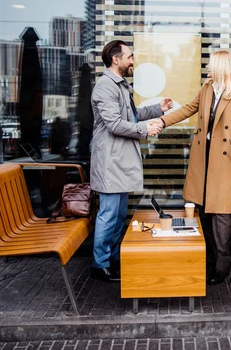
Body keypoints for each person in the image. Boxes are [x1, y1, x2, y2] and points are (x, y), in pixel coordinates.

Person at [157, 50, 231, 285]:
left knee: (221, 211)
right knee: (202, 207)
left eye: (210, 65)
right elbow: (188, 109)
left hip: (223, 157)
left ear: (221, 66)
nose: (207, 68)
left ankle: (222, 264)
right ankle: (208, 257)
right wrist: (162, 121)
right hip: (203, 155)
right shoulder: (207, 87)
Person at [90, 40, 173, 282]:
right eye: (129, 56)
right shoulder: (105, 86)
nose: (132, 61)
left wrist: (158, 108)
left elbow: (132, 116)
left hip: (120, 163)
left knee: (117, 216)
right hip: (111, 163)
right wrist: (145, 129)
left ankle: (113, 259)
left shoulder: (120, 85)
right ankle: (100, 265)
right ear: (116, 59)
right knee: (108, 215)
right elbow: (115, 124)